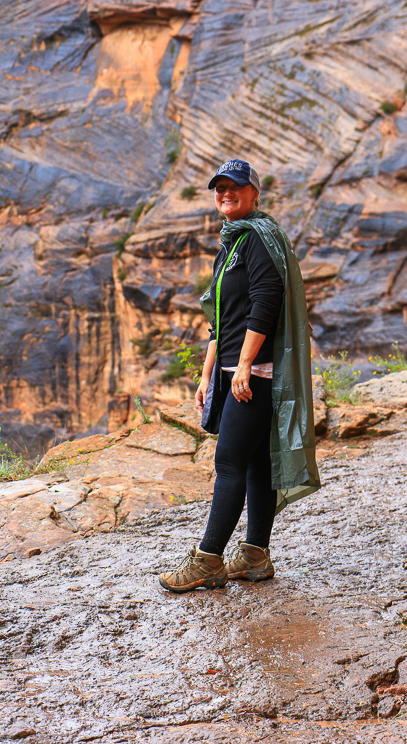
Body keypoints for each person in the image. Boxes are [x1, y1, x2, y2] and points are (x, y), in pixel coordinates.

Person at [159, 159, 320, 593]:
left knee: (228, 463)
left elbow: (264, 305)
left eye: (235, 186)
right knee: (253, 464)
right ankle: (254, 556)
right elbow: (220, 319)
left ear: (254, 193)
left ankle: (208, 560)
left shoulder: (257, 239)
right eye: (220, 188)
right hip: (234, 369)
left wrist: (246, 365)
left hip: (257, 373)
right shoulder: (231, 243)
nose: (226, 193)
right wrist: (206, 375)